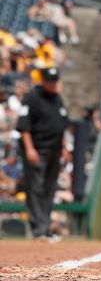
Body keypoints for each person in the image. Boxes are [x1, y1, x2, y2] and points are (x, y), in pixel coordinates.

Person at [16, 68, 69, 241]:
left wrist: (64, 148)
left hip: (54, 150)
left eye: (55, 81)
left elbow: (62, 126)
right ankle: (38, 230)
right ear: (43, 81)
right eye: (50, 81)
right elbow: (24, 126)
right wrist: (30, 149)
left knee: (49, 189)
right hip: (37, 150)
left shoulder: (57, 98)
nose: (53, 84)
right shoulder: (32, 98)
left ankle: (45, 228)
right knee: (35, 188)